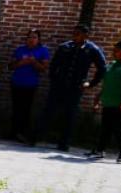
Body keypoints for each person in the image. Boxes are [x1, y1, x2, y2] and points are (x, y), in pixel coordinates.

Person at [32, 24, 106, 152]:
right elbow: (54, 65)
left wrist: (91, 83)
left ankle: (64, 143)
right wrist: (54, 80)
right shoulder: (65, 47)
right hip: (59, 85)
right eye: (74, 33)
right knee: (48, 111)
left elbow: (102, 68)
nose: (75, 36)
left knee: (70, 115)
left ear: (85, 36)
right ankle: (36, 138)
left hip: (75, 87)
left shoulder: (92, 49)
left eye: (78, 34)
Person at [88, 40, 121, 163]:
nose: (114, 53)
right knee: (105, 127)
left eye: (117, 51)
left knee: (119, 127)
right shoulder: (113, 64)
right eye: (114, 50)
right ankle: (100, 151)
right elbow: (108, 83)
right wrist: (98, 97)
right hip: (109, 102)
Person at [9, 29, 50, 142]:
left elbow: (44, 69)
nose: (32, 39)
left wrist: (33, 62)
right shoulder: (20, 50)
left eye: (34, 37)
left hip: (31, 84)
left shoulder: (43, 51)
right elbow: (10, 66)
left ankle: (23, 133)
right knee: (16, 108)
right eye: (30, 37)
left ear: (38, 39)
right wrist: (22, 63)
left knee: (26, 109)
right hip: (17, 82)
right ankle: (13, 132)